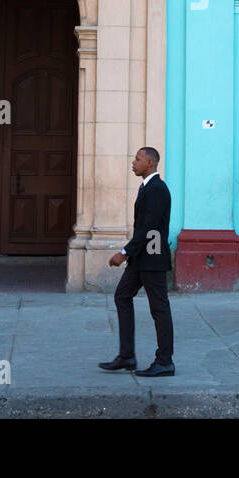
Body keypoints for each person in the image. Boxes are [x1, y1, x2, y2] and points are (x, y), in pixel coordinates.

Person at [99, 147, 174, 377]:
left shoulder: (157, 189)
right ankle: (127, 356)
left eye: (138, 159)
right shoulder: (147, 188)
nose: (133, 163)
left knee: (159, 309)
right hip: (141, 258)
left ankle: (164, 362)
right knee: (122, 296)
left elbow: (150, 228)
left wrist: (124, 252)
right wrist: (131, 254)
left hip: (152, 258)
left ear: (150, 163)